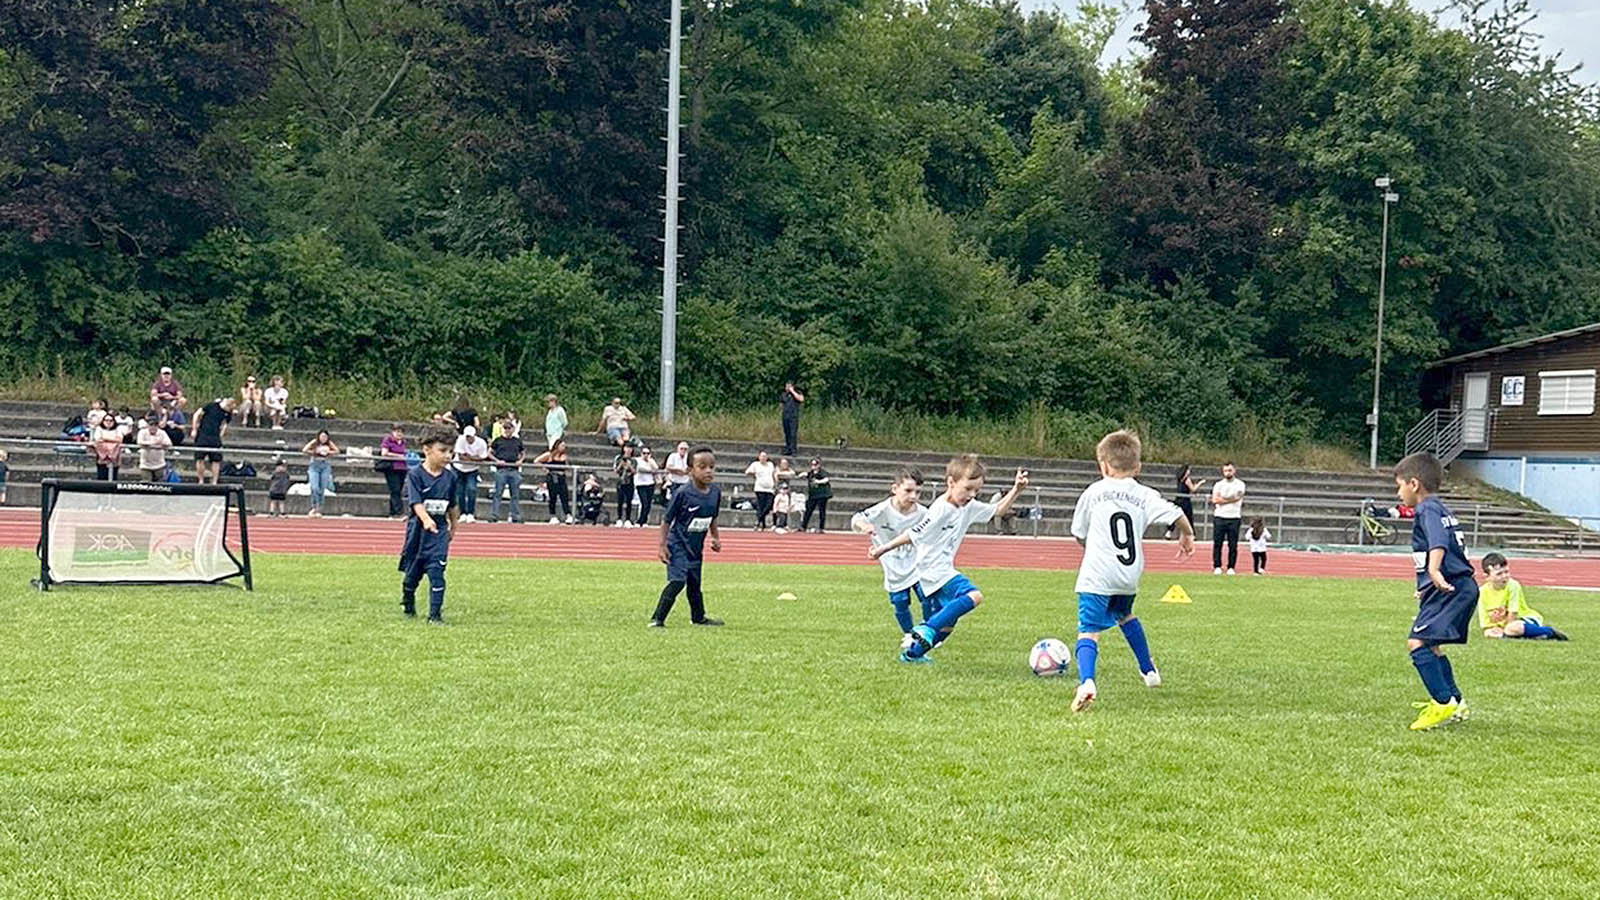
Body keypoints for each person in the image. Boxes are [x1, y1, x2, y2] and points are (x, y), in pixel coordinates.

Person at [1068, 430, 1195, 712]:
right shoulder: (1144, 494)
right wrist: (1187, 535)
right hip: (1128, 576)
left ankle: (1087, 682)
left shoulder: (1093, 492)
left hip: (1097, 575)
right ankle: (1148, 670)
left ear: (1103, 465)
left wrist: (1090, 545)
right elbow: (1177, 513)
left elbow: (1078, 533)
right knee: (1124, 615)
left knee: (1088, 630)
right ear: (1137, 467)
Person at [870, 455, 1028, 663]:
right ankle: (926, 627)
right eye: (967, 488)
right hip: (932, 569)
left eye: (977, 490)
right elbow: (914, 534)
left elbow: (997, 510)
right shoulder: (941, 509)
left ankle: (912, 655)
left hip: (939, 569)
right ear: (951, 482)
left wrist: (1017, 489)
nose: (972, 495)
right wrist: (884, 548)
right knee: (973, 596)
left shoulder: (967, 506)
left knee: (946, 627)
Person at [1395, 452, 1479, 731]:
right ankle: (1456, 702)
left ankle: (1442, 703)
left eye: (1400, 486)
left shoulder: (1427, 509)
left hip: (1450, 586)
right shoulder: (1441, 508)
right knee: (1431, 645)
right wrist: (1427, 584)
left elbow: (1438, 541)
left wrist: (1434, 572)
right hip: (1455, 587)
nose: (1398, 493)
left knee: (1417, 643)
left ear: (1414, 484)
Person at [852, 467, 933, 645]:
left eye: (918, 492)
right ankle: (909, 634)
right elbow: (857, 518)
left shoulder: (923, 513)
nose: (913, 497)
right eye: (908, 491)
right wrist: (865, 526)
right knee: (900, 600)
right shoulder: (882, 509)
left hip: (917, 562)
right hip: (892, 563)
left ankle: (929, 630)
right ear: (895, 488)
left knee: (927, 595)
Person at [648, 446, 724, 627]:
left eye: (711, 467)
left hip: (696, 547)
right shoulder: (682, 493)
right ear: (690, 470)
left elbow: (713, 516)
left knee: (694, 584)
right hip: (677, 545)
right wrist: (662, 546)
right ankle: (658, 619)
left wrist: (715, 537)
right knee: (678, 581)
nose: (708, 471)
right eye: (702, 467)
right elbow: (667, 520)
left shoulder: (715, 493)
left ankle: (698, 618)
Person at [399, 429, 460, 624]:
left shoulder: (451, 477)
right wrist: (425, 519)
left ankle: (435, 615)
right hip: (418, 532)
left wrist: (453, 527)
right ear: (427, 450)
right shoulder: (415, 475)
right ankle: (408, 602)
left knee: (437, 572)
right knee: (412, 575)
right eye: (442, 450)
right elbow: (416, 503)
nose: (448, 455)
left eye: (451, 451)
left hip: (439, 532)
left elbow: (453, 505)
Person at [1477, 553, 1568, 640]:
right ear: (1487, 577)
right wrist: (1493, 628)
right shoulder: (1482, 592)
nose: (1504, 576)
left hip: (1523, 619)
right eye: (1499, 574)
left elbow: (1513, 613)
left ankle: (1549, 631)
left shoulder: (1513, 585)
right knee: (1488, 633)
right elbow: (1485, 621)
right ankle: (1526, 636)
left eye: (1506, 572)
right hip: (1503, 626)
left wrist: (1505, 629)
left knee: (1512, 628)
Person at [1209, 462, 1246, 575]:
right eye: (1225, 471)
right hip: (1220, 516)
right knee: (1217, 543)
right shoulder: (1218, 484)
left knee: (1233, 544)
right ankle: (1217, 566)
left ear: (1234, 471)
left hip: (1234, 517)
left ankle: (1231, 566)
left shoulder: (1240, 484)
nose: (1227, 473)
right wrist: (1230, 500)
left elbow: (1238, 497)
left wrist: (1223, 499)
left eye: (1230, 470)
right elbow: (1215, 500)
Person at [190, 397, 235, 485]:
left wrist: (222, 432)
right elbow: (197, 414)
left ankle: (214, 481)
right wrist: (194, 429)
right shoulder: (211, 406)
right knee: (200, 458)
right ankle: (201, 480)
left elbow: (226, 423)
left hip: (215, 436)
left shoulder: (228, 413)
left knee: (216, 460)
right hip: (203, 434)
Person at [488, 419, 526, 524]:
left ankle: (515, 515)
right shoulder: (498, 440)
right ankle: (494, 515)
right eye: (505, 428)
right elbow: (489, 453)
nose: (507, 430)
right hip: (502, 469)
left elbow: (523, 452)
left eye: (509, 428)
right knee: (498, 493)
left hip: (514, 469)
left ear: (512, 429)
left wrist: (520, 461)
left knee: (515, 494)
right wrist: (497, 461)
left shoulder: (517, 441)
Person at [451, 425, 488, 523]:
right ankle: (462, 513)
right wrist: (474, 458)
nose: (468, 439)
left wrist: (469, 457)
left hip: (472, 470)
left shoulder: (481, 443)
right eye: (467, 436)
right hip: (459, 468)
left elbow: (482, 458)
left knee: (472, 489)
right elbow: (460, 457)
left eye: (470, 436)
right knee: (460, 491)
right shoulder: (460, 440)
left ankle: (470, 513)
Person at [534, 438, 574, 524]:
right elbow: (536, 461)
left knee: (564, 496)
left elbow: (567, 466)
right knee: (553, 497)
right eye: (562, 445)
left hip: (561, 478)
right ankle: (553, 515)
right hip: (552, 477)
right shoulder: (549, 455)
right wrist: (545, 469)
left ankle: (568, 514)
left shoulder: (564, 456)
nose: (564, 447)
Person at [301, 430, 340, 517]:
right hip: (314, 466)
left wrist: (328, 452)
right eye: (322, 436)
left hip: (325, 466)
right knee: (314, 487)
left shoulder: (329, 443)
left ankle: (319, 508)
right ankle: (313, 506)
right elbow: (304, 450)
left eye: (325, 437)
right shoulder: (315, 443)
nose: (323, 438)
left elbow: (337, 451)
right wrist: (315, 452)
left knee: (322, 488)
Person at [1168, 465, 1206, 539]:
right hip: (1185, 501)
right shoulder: (1187, 479)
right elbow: (1193, 489)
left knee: (1176, 516)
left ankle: (1169, 532)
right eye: (1188, 470)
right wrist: (1200, 483)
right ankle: (1192, 534)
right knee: (1189, 517)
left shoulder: (1180, 479)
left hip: (1178, 500)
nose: (1189, 471)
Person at [380, 425, 410, 517]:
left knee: (398, 490)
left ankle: (392, 512)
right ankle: (399, 512)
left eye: (401, 432)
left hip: (402, 468)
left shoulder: (403, 442)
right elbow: (384, 453)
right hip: (392, 468)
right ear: (393, 432)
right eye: (397, 431)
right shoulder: (388, 440)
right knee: (395, 489)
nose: (399, 434)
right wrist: (398, 456)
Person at [744, 450, 777, 530]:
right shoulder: (755, 464)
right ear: (759, 457)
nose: (763, 458)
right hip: (760, 488)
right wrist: (754, 474)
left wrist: (775, 482)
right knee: (760, 506)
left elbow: (773, 474)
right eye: (762, 456)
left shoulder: (770, 464)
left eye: (765, 456)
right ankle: (762, 523)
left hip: (770, 489)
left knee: (768, 506)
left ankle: (759, 520)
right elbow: (747, 472)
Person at [92, 410, 126, 480]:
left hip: (114, 458)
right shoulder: (99, 429)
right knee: (102, 476)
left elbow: (119, 440)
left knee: (113, 476)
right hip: (101, 458)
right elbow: (98, 439)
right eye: (106, 420)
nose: (108, 422)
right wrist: (113, 440)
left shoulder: (118, 429)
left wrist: (105, 439)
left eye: (111, 420)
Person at [802, 456, 833, 532]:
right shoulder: (811, 473)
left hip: (822, 495)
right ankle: (803, 526)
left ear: (819, 465)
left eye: (815, 464)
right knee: (808, 510)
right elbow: (807, 475)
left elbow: (826, 479)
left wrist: (819, 481)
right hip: (813, 495)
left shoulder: (822, 472)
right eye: (812, 464)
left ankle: (821, 527)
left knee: (822, 511)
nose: (813, 466)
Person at [633, 446, 661, 526]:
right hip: (640, 484)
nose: (646, 455)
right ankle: (639, 520)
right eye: (644, 453)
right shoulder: (637, 460)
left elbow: (656, 468)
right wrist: (650, 470)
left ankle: (644, 520)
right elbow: (640, 469)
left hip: (650, 483)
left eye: (648, 453)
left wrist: (650, 462)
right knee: (644, 503)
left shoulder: (651, 461)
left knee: (648, 504)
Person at [614, 443, 638, 527]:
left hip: (630, 482)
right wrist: (621, 464)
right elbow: (616, 470)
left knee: (629, 501)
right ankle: (619, 518)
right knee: (620, 501)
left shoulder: (634, 460)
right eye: (627, 448)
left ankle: (628, 519)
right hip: (620, 482)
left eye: (630, 448)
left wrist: (629, 466)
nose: (628, 450)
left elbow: (634, 471)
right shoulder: (618, 458)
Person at [778, 381, 805, 456]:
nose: (787, 388)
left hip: (793, 416)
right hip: (785, 416)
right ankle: (788, 449)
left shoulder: (797, 393)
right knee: (787, 433)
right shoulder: (783, 394)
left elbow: (801, 399)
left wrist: (792, 391)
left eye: (789, 386)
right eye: (786, 386)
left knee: (793, 433)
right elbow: (781, 404)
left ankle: (793, 450)